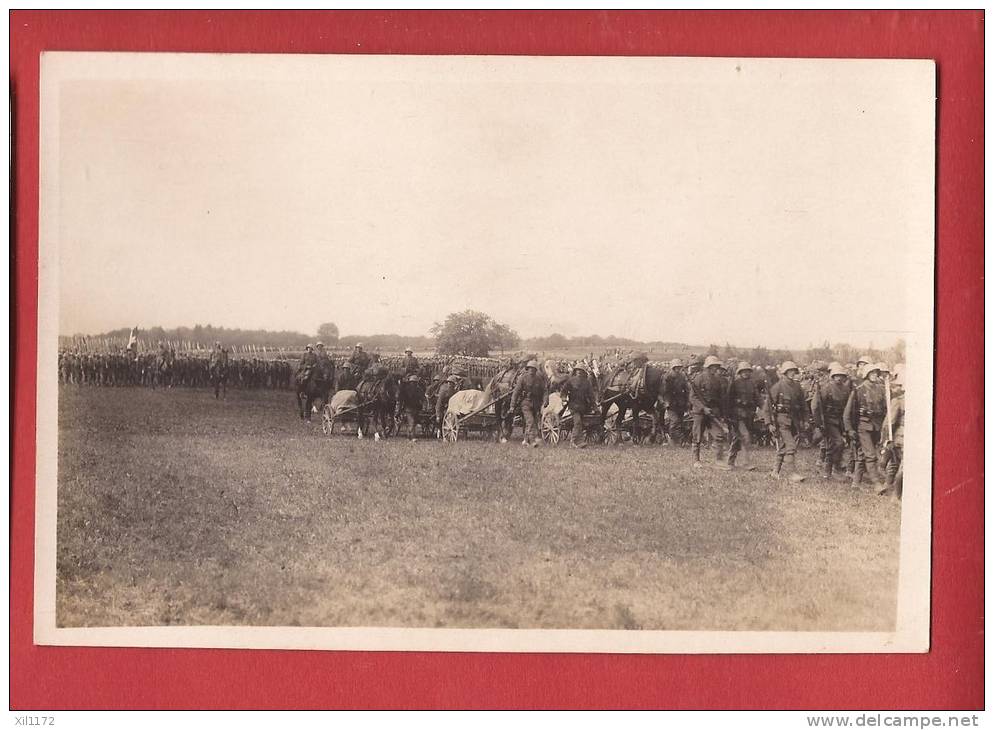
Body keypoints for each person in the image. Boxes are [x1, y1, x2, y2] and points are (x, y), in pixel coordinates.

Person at [844, 362, 888, 488]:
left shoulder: (881, 389)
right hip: (863, 427)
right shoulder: (858, 390)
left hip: (876, 426)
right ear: (866, 374)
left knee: (862, 454)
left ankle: (856, 482)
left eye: (876, 373)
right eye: (872, 373)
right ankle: (876, 483)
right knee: (870, 455)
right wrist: (849, 429)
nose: (874, 375)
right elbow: (848, 412)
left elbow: (884, 408)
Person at [764, 361, 808, 483]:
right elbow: (767, 406)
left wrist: (805, 419)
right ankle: (792, 474)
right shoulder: (777, 387)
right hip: (781, 421)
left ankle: (775, 472)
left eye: (794, 371)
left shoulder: (797, 386)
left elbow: (803, 405)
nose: (792, 373)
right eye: (789, 371)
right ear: (784, 373)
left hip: (794, 421)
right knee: (790, 446)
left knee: (783, 447)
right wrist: (769, 423)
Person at [811, 362, 853, 481]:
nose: (839, 378)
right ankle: (834, 468)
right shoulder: (826, 388)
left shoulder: (846, 390)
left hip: (840, 421)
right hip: (828, 421)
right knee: (838, 443)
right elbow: (815, 406)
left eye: (842, 375)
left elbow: (848, 407)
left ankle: (828, 470)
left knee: (833, 445)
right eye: (837, 375)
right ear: (833, 376)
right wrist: (819, 423)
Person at [689, 355, 731, 469]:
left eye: (717, 366)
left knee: (719, 435)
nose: (715, 368)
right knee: (697, 436)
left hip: (713, 412)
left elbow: (720, 399)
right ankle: (696, 460)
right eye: (713, 366)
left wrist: (721, 414)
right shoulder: (699, 379)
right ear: (708, 367)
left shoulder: (718, 380)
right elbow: (692, 397)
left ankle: (719, 460)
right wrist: (703, 408)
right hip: (700, 412)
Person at [726, 361, 760, 469]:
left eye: (747, 371)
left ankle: (730, 460)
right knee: (746, 436)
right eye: (743, 371)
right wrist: (729, 416)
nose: (746, 373)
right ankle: (746, 463)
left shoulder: (752, 384)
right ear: (740, 372)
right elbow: (728, 400)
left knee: (738, 437)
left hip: (749, 415)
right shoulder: (735, 383)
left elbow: (757, 398)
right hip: (738, 415)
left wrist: (764, 408)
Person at [510, 360, 547, 448]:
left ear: (536, 370)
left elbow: (545, 391)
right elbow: (516, 392)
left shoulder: (539, 379)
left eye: (533, 369)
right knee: (530, 421)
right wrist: (512, 405)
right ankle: (532, 441)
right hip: (525, 403)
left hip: (536, 403)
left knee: (531, 421)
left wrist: (545, 400)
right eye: (530, 369)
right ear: (527, 369)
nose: (532, 371)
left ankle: (526, 440)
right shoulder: (522, 378)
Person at [560, 364, 596, 448]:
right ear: (575, 371)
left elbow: (591, 396)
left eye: (581, 371)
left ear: (584, 373)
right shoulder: (570, 381)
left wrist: (594, 406)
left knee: (583, 423)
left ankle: (579, 441)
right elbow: (563, 391)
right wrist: (564, 398)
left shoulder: (587, 382)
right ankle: (573, 441)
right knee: (578, 422)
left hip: (584, 406)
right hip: (573, 406)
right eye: (577, 370)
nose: (579, 372)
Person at [881, 368, 905, 498]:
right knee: (902, 465)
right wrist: (886, 440)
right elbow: (888, 423)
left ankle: (887, 485)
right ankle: (896, 495)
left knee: (895, 463)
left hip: (903, 438)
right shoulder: (899, 401)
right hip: (901, 438)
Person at [662, 358, 689, 445]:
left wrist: (687, 401)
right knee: (675, 421)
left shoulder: (682, 377)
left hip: (681, 403)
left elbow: (686, 389)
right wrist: (666, 402)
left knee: (680, 422)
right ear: (672, 368)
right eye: (676, 368)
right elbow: (664, 391)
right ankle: (672, 436)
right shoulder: (667, 377)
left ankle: (679, 441)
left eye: (679, 368)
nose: (678, 369)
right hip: (671, 403)